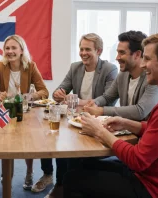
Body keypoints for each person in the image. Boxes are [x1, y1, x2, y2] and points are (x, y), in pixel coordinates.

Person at [63, 31, 158, 197]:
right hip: (152, 175)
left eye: (147, 59)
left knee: (72, 179)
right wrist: (128, 123)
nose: (143, 65)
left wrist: (99, 131)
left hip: (152, 188)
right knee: (82, 164)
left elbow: (137, 161)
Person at [37, 33, 118, 198]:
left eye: (88, 49)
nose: (83, 53)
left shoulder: (110, 69)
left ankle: (70, 187)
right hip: (75, 120)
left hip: (99, 123)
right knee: (60, 147)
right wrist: (60, 94)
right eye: (81, 49)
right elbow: (57, 92)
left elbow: (107, 99)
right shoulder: (75, 67)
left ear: (99, 51)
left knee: (73, 155)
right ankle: (61, 186)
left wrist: (79, 101)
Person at [0, 34, 49, 191]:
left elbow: (44, 91)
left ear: (21, 50)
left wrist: (31, 95)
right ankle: (6, 173)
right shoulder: (0, 66)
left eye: (14, 48)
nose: (10, 51)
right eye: (7, 48)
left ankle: (29, 173)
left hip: (25, 110)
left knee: (28, 142)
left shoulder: (30, 66)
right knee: (6, 143)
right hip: (5, 110)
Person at [84, 31, 158, 121]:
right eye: (118, 52)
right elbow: (107, 97)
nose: (117, 57)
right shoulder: (123, 75)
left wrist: (102, 110)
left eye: (122, 53)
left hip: (143, 133)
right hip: (124, 130)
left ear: (137, 54)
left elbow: (140, 111)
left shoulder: (152, 78)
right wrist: (95, 102)